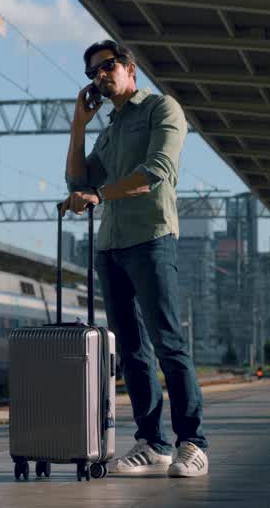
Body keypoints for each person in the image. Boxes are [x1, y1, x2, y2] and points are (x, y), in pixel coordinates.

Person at [63, 39, 208, 478]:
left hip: (151, 239)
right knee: (131, 350)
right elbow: (76, 178)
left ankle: (193, 444)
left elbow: (157, 171)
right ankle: (153, 443)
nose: (99, 77)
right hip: (111, 246)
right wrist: (79, 124)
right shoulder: (108, 129)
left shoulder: (162, 109)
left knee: (168, 342)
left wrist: (99, 194)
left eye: (106, 67)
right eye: (92, 73)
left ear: (130, 68)